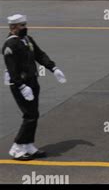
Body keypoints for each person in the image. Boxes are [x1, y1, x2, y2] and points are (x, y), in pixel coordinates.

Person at [3, 14, 66, 160]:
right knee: (29, 115)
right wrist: (22, 87)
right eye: (22, 25)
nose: (25, 27)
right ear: (13, 27)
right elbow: (12, 69)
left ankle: (28, 144)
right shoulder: (10, 45)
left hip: (32, 81)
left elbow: (39, 54)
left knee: (34, 114)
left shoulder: (27, 40)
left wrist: (53, 68)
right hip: (20, 84)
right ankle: (17, 147)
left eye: (25, 24)